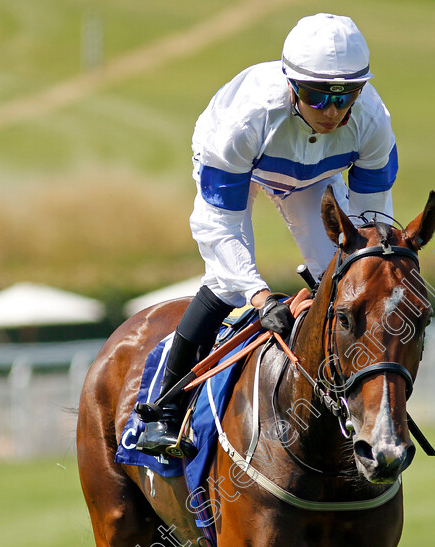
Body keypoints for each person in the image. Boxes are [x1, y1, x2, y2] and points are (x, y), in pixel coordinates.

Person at [136, 13, 399, 457]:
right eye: (317, 97)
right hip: (242, 164)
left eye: (345, 96)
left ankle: (360, 405)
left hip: (313, 177)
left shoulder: (373, 120)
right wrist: (260, 297)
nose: (332, 111)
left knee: (343, 280)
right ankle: (164, 409)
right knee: (227, 284)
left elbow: (372, 223)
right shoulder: (246, 120)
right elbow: (218, 227)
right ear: (293, 85)